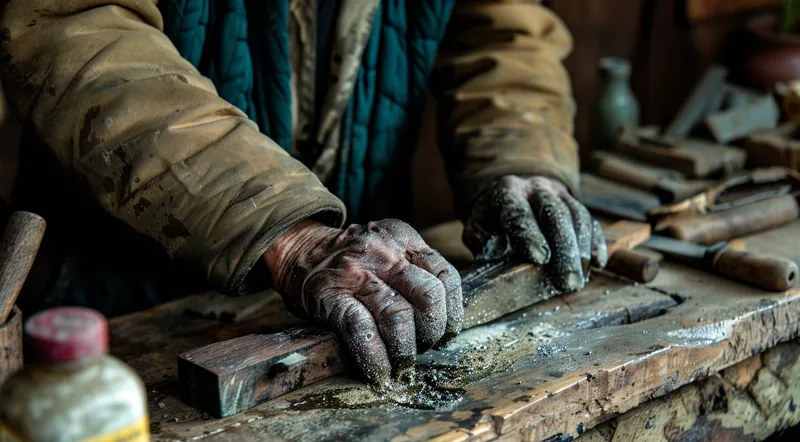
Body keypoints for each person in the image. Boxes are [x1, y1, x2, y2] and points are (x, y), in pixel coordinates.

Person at [0, 0, 607, 388]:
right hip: (120, 301)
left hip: (349, 287)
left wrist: (522, 154)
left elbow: (501, 27)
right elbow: (70, 26)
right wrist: (284, 231)